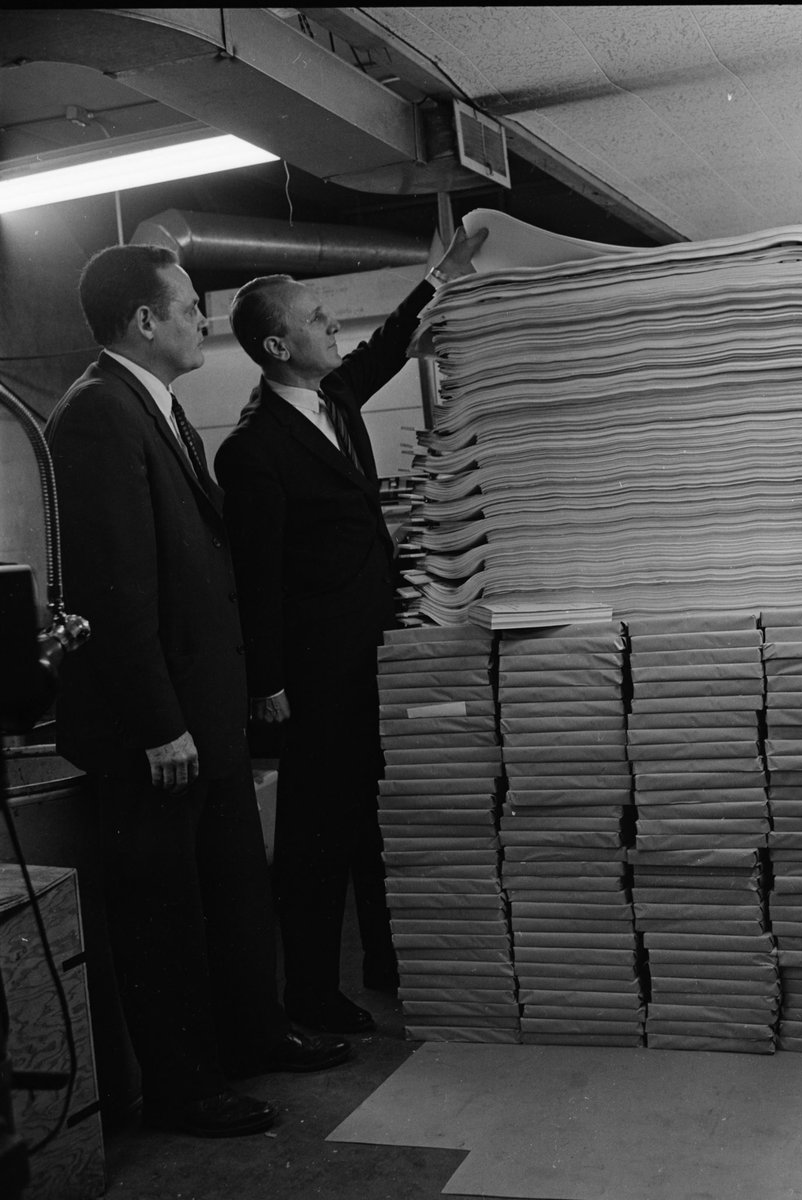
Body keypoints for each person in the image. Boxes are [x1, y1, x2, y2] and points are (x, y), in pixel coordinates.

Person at [46, 244, 351, 1139]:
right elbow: (113, 589)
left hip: (202, 713)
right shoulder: (99, 414)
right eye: (186, 308)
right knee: (166, 914)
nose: (201, 321)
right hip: (160, 730)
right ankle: (183, 1088)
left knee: (229, 891)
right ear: (145, 321)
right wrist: (157, 725)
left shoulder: (155, 411)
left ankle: (254, 1036)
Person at [214, 225, 487, 1035]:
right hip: (313, 674)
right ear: (276, 343)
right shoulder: (253, 452)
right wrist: (267, 686)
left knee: (375, 814)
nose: (334, 326)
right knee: (314, 836)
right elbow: (254, 582)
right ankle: (309, 992)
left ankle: (385, 959)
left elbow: (383, 350)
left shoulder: (332, 401)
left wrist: (436, 282)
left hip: (373, 654)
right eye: (317, 318)